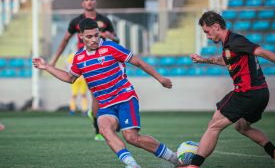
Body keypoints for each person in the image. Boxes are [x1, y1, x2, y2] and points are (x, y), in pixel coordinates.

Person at [33, 18, 181, 168]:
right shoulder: (79, 58)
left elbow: (139, 62)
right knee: (103, 127)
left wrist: (160, 78)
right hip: (105, 104)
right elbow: (70, 78)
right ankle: (132, 165)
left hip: (125, 97)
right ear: (81, 36)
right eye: (89, 37)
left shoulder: (111, 48)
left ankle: (175, 158)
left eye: (96, 35)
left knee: (131, 138)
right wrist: (46, 67)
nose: (94, 39)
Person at [180, 11, 275, 168]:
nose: (207, 36)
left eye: (207, 31)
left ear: (216, 26)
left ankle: (193, 166)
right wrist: (203, 60)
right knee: (242, 126)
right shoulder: (230, 44)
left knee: (213, 126)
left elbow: (260, 51)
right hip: (261, 93)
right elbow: (226, 59)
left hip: (247, 93)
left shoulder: (235, 41)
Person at [49, 0, 118, 141]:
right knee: (96, 96)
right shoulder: (76, 22)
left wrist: (111, 37)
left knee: (107, 95)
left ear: (95, 2)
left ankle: (102, 118)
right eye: (86, 0)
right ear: (82, 3)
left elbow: (116, 40)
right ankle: (98, 128)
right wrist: (54, 61)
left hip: (104, 60)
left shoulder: (105, 21)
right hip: (86, 62)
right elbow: (64, 41)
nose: (89, 2)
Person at [66, 52, 88, 116]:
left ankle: (84, 110)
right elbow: (68, 65)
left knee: (83, 94)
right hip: (75, 78)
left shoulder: (85, 54)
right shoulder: (71, 56)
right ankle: (72, 110)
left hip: (82, 78)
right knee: (74, 94)